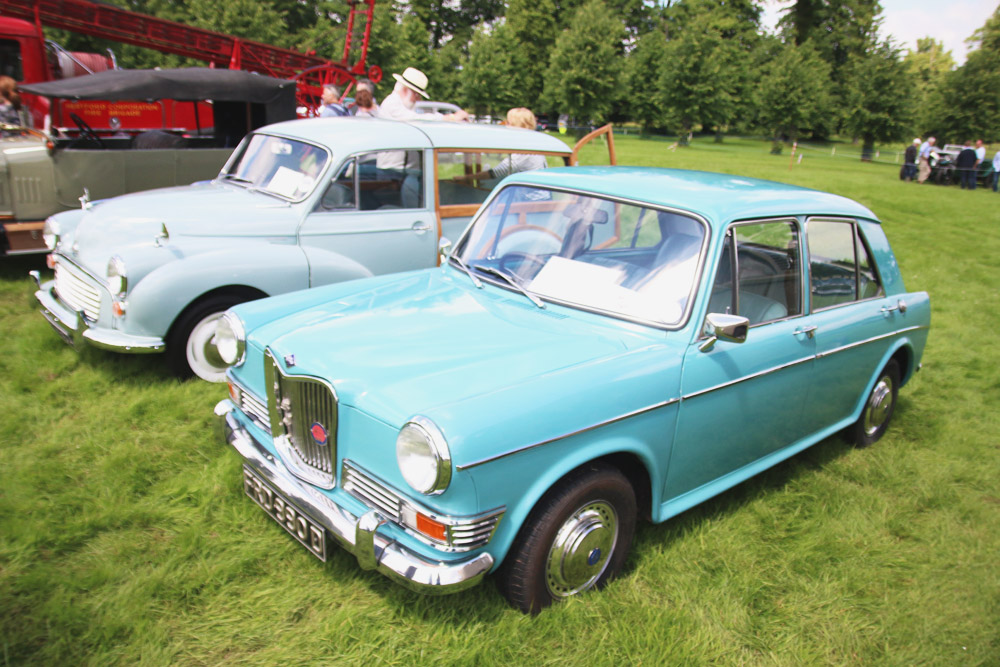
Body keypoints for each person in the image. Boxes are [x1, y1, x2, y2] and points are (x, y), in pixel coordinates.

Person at [453, 108, 548, 184]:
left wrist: (466, 178)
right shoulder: (532, 142)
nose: (505, 124)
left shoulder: (525, 150)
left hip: (531, 202)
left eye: (509, 122)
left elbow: (496, 173)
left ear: (518, 124)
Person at [375, 67, 468, 123]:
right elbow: (417, 119)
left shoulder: (396, 103)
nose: (418, 99)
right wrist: (451, 117)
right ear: (405, 90)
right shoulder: (392, 104)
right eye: (416, 95)